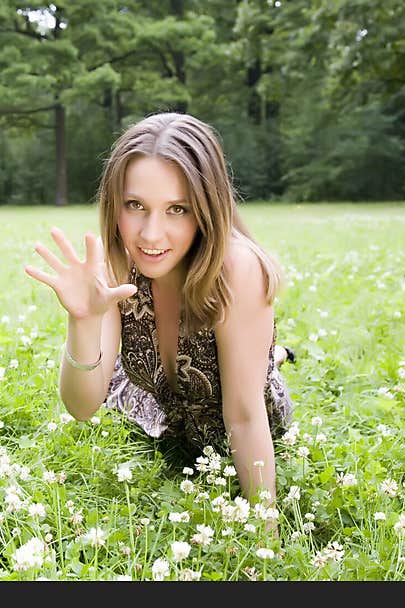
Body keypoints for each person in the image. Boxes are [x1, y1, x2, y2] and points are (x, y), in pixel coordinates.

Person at [23, 112, 294, 505]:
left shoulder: (236, 269)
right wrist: (83, 321)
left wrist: (263, 533)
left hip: (231, 419)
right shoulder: (118, 259)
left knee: (247, 376)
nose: (150, 235)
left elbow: (244, 416)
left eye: (177, 209)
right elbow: (82, 406)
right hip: (160, 410)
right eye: (135, 205)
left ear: (207, 208)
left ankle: (273, 357)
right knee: (121, 383)